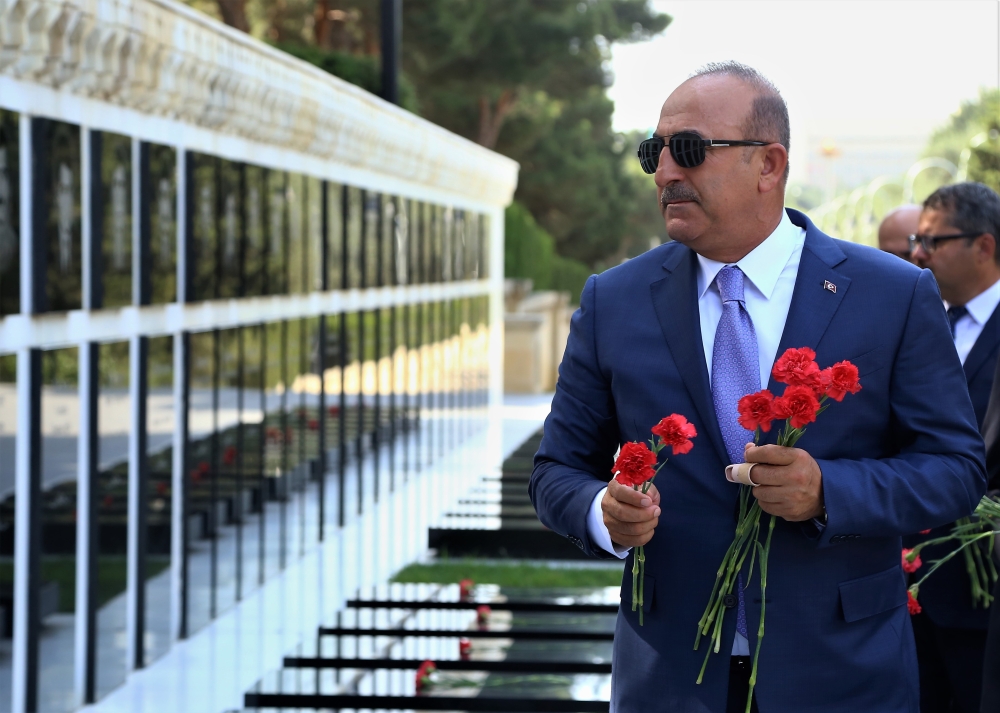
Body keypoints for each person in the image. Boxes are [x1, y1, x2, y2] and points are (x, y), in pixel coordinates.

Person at [528, 61, 986, 713]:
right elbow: (555, 471)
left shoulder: (892, 294)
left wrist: (830, 489)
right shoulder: (615, 300)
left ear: (769, 164)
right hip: (669, 678)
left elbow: (955, 469)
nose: (664, 173)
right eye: (652, 152)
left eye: (687, 150)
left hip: (842, 675)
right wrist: (600, 509)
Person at [906, 182, 1000, 713]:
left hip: (984, 596)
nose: (917, 254)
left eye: (933, 241)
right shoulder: (924, 324)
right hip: (910, 593)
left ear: (984, 246)